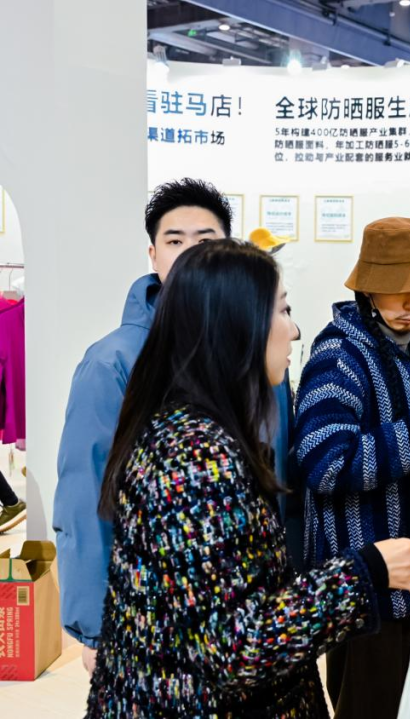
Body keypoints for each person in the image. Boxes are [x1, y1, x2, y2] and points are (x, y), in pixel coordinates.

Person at [84, 240, 410, 717]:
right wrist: (368, 570)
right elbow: (236, 646)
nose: (295, 330)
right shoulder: (194, 459)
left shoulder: (203, 433)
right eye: (283, 310)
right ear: (238, 327)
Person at [54, 178, 245, 676]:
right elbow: (85, 492)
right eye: (174, 240)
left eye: (205, 240)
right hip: (148, 611)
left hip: (243, 612)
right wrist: (96, 626)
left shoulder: (255, 349)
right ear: (153, 255)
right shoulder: (113, 362)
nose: (189, 254)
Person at [293, 217, 410, 719]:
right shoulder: (337, 355)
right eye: (400, 290)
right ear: (368, 287)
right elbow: (322, 462)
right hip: (364, 588)